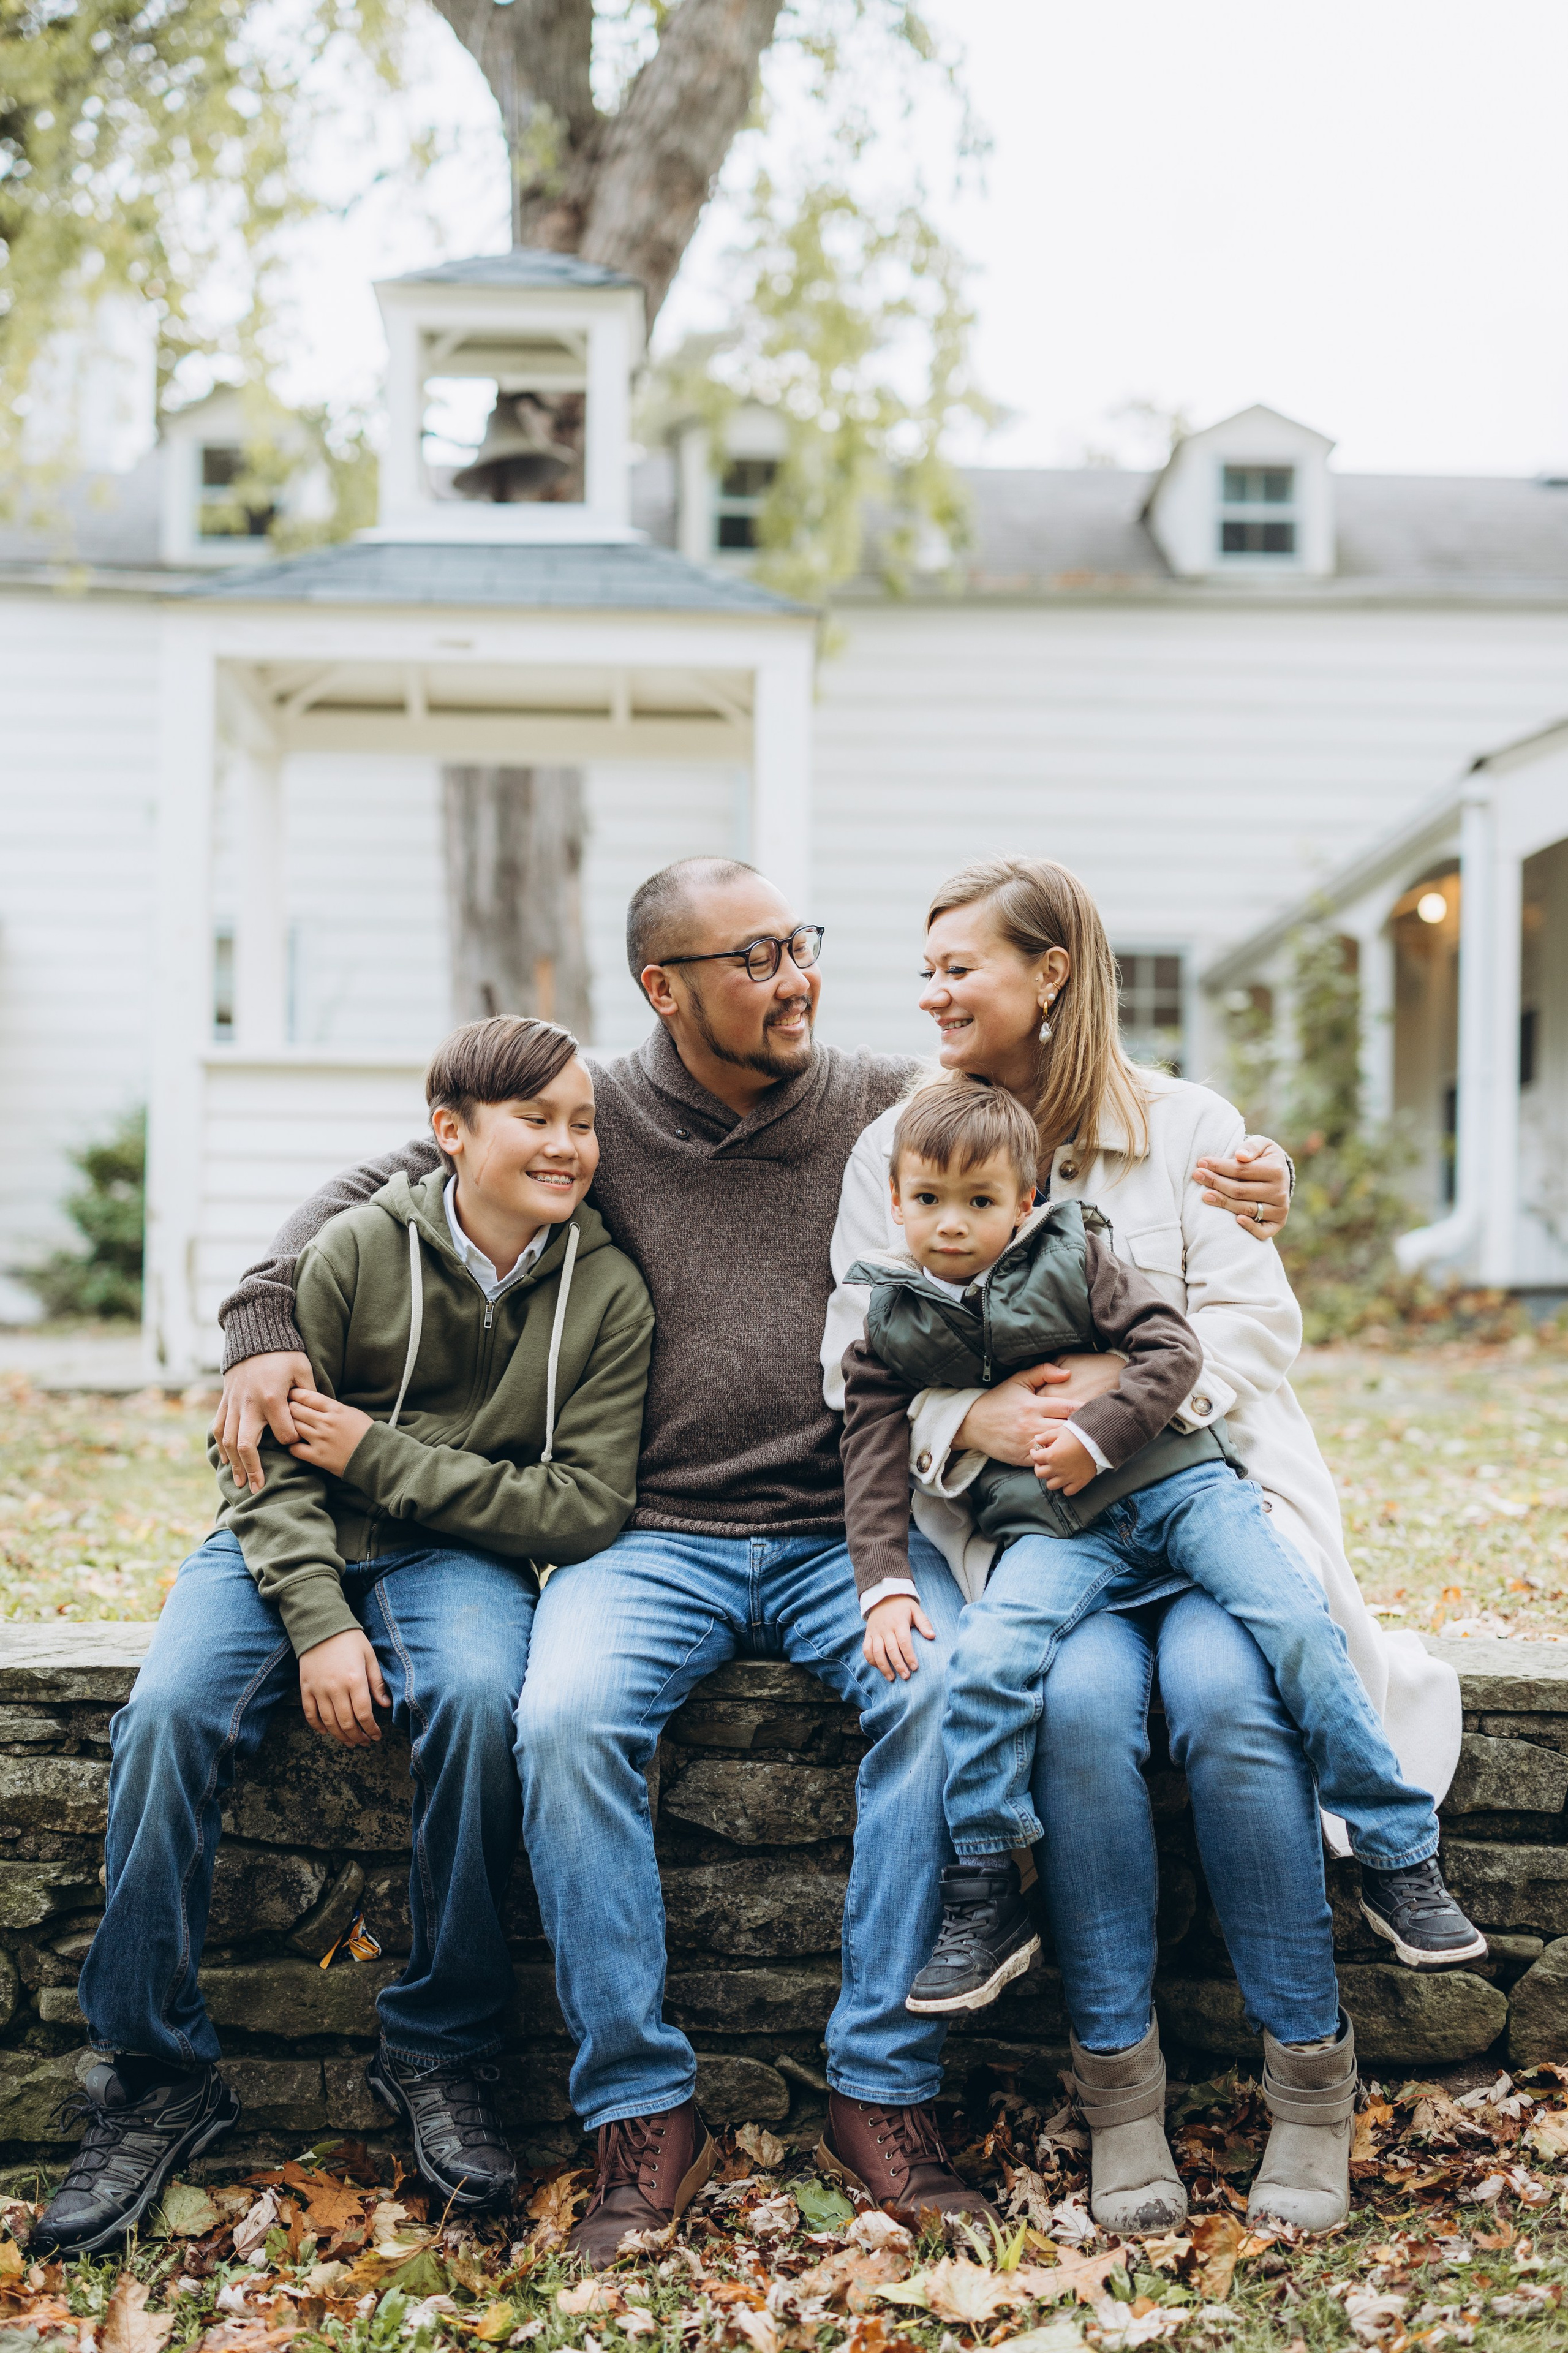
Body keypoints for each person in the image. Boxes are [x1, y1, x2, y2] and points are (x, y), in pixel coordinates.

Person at [208, 858, 1294, 2265]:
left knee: (944, 1694)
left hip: (856, 1528)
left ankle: (881, 2087)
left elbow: (1063, 1094)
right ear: (664, 987)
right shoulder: (594, 1115)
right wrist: (258, 1313)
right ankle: (637, 2108)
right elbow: (397, 1169)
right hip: (648, 1535)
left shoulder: (875, 1097)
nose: (796, 978)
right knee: (564, 1717)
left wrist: (1251, 1166)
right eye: (756, 957)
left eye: (801, 945)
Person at [822, 855, 1466, 2239]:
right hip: (1032, 1522)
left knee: (1237, 1704)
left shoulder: (1188, 1128)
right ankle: (1121, 2096)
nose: (929, 991)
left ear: (1050, 974)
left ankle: (1309, 2085)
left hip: (1193, 1498)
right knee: (1075, 1705)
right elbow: (854, 1348)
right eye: (922, 968)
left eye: (959, 967)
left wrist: (1112, 1411)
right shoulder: (902, 1143)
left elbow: (1245, 1328)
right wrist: (977, 1414)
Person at [32, 1018, 652, 2257]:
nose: (569, 1143)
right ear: (450, 1131)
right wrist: (317, 1625)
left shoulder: (608, 1294)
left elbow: (582, 1506)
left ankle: (440, 2048)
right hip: (282, 1537)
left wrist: (386, 1456)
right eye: (536, 1117)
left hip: (457, 1558)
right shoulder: (355, 1249)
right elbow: (261, 1464)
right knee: (160, 1717)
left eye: (582, 1120)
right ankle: (154, 2071)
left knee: (482, 1705)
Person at [840, 1073, 1482, 2015]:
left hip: (1180, 1489)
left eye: (980, 1202)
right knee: (985, 1661)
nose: (950, 1224)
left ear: (1026, 1204)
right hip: (1062, 1536)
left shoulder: (1076, 1249)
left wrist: (1097, 1433)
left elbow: (1176, 1348)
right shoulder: (887, 1322)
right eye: (928, 1201)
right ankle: (983, 1887)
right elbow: (871, 1449)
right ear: (894, 1203)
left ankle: (1395, 1850)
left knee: (1297, 1625)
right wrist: (885, 1583)